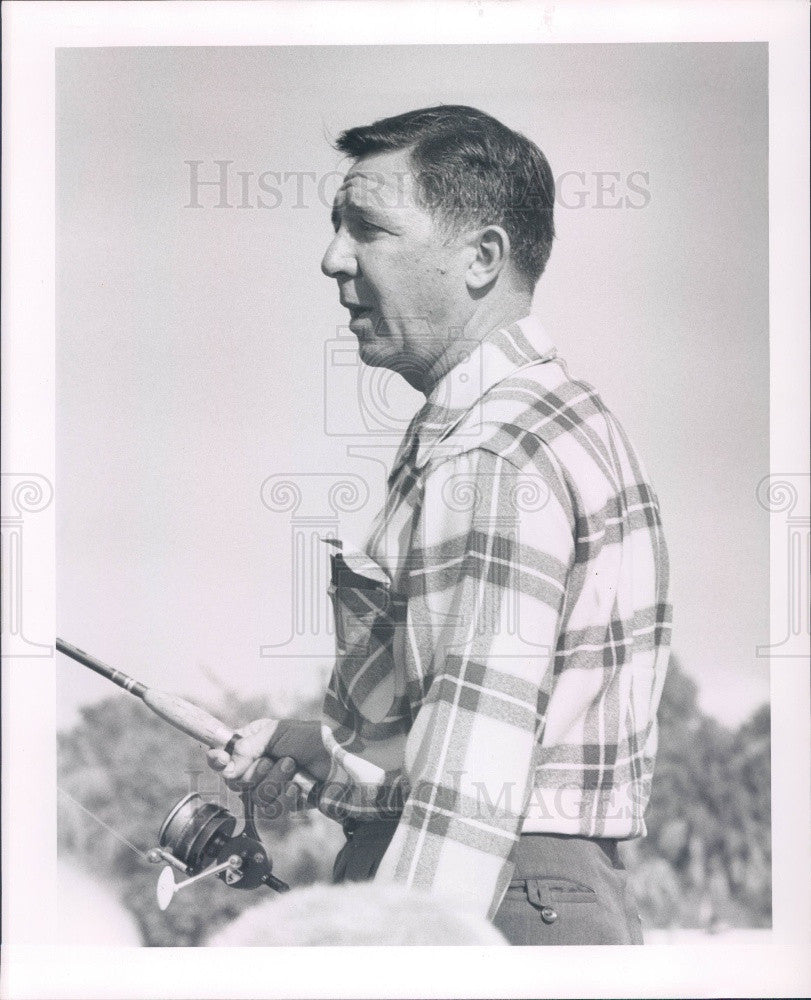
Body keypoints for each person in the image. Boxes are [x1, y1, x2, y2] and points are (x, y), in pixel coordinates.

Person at [207, 105, 672, 945]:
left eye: (368, 229)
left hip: (489, 897)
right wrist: (334, 747)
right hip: (543, 895)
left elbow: (473, 771)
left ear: (481, 257)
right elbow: (498, 715)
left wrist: (407, 955)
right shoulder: (557, 418)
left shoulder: (487, 453)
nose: (332, 258)